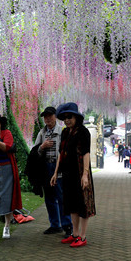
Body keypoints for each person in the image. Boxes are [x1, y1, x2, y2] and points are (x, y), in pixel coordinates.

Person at [51, 102, 95, 247]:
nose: (67, 120)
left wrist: (85, 174)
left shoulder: (83, 132)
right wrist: (56, 172)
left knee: (82, 204)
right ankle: (74, 234)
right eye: (64, 118)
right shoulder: (65, 132)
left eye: (70, 117)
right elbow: (61, 153)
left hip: (80, 171)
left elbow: (86, 153)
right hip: (68, 173)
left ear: (76, 117)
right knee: (71, 203)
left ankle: (82, 236)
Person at [33, 106, 71, 236]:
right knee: (49, 197)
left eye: (50, 115)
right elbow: (35, 151)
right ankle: (55, 225)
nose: (47, 118)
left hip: (58, 167)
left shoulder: (62, 131)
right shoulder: (42, 133)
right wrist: (42, 147)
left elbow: (66, 151)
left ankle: (67, 226)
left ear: (55, 116)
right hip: (45, 168)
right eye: (45, 116)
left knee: (61, 197)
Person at [0, 113, 23, 239]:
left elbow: (8, 147)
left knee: (7, 196)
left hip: (7, 168)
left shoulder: (6, 133)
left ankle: (7, 226)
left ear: (0, 122)